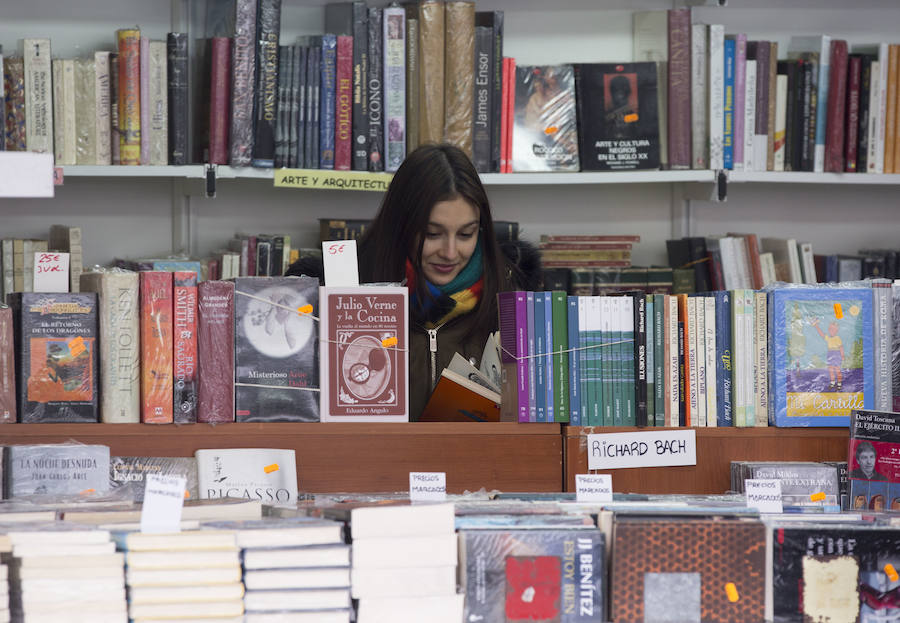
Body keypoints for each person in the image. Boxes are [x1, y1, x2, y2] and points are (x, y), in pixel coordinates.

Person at [286, 143, 541, 420]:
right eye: (432, 234)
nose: (450, 252)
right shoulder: (338, 288)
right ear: (401, 227)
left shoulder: (515, 298)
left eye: (466, 234)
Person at [810, 317, 844, 390]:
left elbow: (841, 347)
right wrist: (816, 326)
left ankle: (839, 383)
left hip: (836, 354)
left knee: (838, 370)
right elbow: (822, 334)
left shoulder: (837, 338)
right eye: (830, 329)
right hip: (830, 354)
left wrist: (842, 355)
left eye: (833, 329)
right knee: (831, 370)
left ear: (836, 330)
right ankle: (832, 383)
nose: (831, 330)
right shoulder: (828, 338)